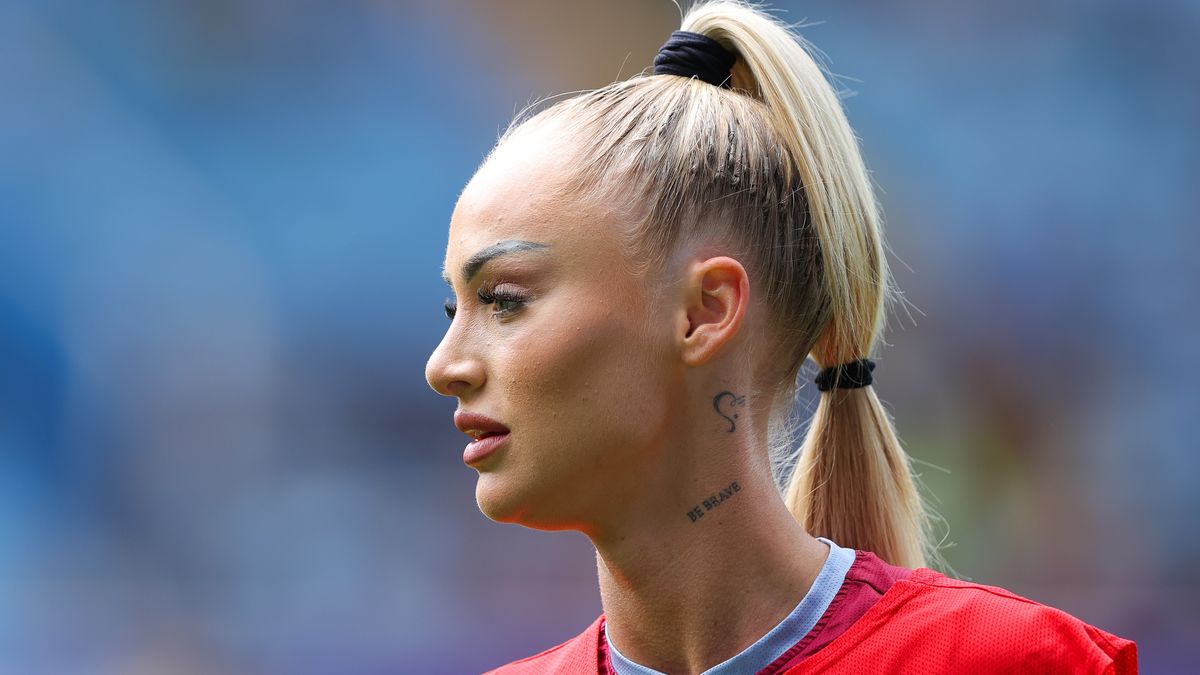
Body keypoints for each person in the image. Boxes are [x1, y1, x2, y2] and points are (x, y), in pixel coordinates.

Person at [424, 1, 1138, 673]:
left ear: (705, 311)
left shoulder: (1012, 660)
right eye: (452, 310)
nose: (444, 365)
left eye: (504, 300)